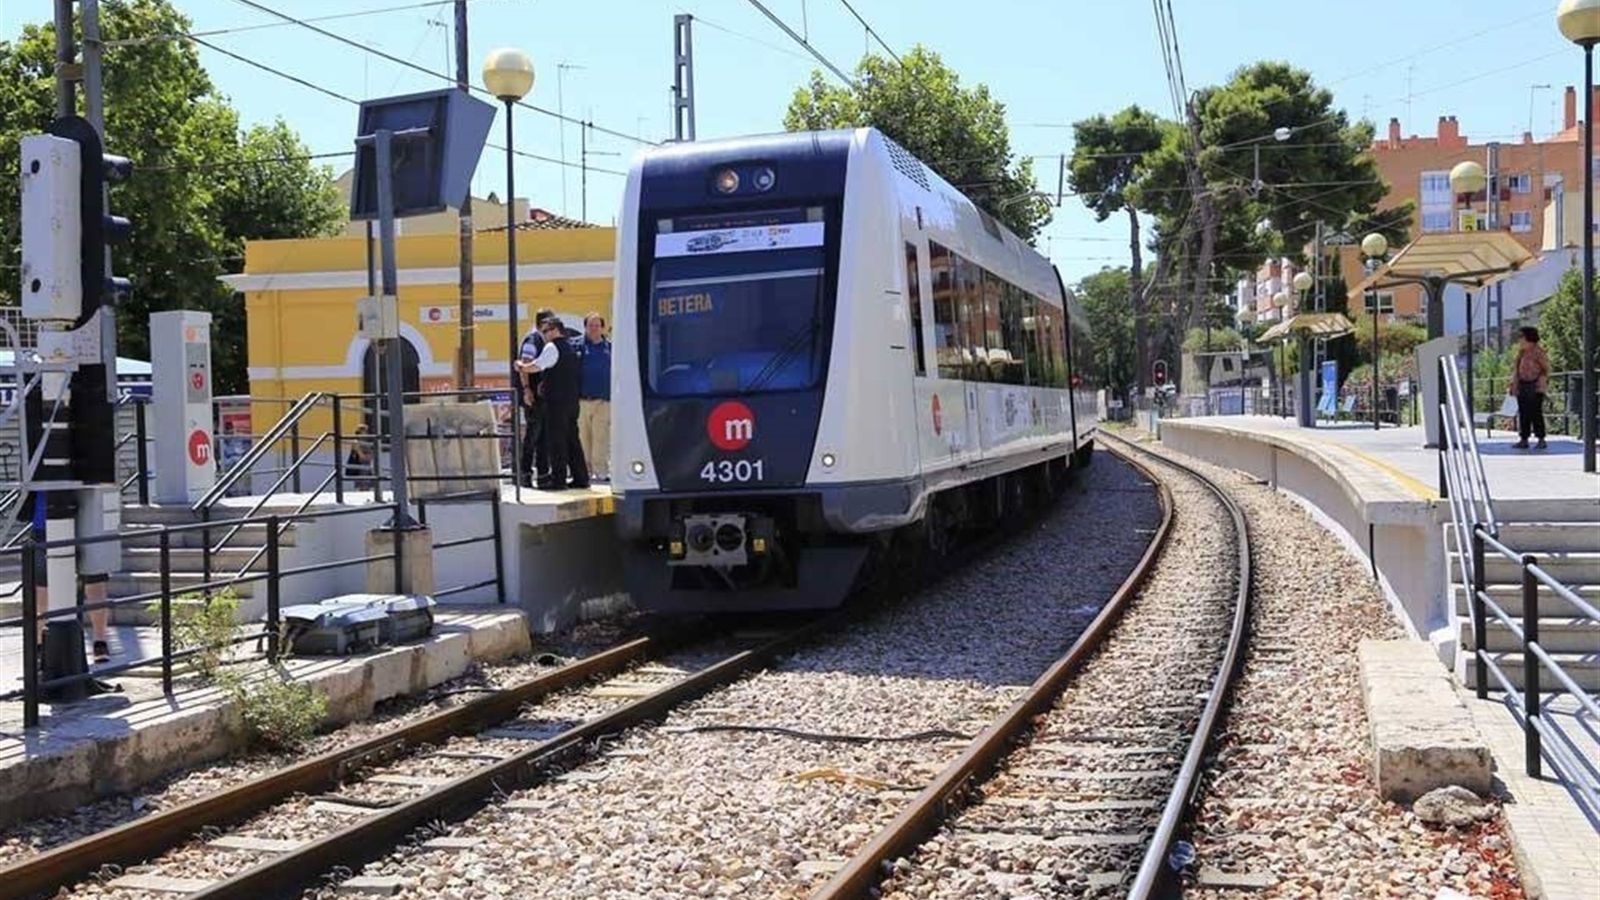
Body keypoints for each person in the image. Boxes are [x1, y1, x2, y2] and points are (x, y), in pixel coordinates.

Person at [535, 314, 590, 489]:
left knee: (556, 441)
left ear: (555, 330)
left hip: (556, 402)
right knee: (572, 440)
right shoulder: (570, 346)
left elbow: (538, 365)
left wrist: (521, 366)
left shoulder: (552, 347)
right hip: (572, 401)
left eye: (546, 331)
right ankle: (581, 478)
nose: (544, 334)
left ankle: (558, 480)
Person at [515, 311, 555, 487]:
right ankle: (525, 473)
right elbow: (524, 364)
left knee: (543, 437)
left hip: (542, 397)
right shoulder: (533, 340)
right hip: (534, 398)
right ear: (543, 324)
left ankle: (543, 474)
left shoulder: (544, 341)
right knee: (533, 436)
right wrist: (527, 390)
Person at [577, 312, 612, 481]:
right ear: (585, 328)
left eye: (597, 325)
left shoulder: (610, 348)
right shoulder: (577, 346)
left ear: (602, 328)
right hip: (582, 400)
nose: (594, 329)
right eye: (590, 325)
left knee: (601, 438)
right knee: (583, 438)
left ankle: (600, 471)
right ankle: (585, 471)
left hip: (603, 401)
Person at [1508, 325, 1551, 450]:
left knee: (1536, 413)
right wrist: (1513, 384)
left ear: (1528, 337)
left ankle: (1541, 438)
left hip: (1535, 385)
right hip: (1523, 384)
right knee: (1523, 413)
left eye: (1521, 336)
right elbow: (1516, 369)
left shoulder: (1538, 352)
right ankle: (1524, 439)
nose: (1519, 339)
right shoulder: (1521, 352)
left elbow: (1546, 368)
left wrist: (1541, 383)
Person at [345, 423, 376, 491]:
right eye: (365, 431)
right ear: (360, 432)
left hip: (367, 465)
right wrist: (368, 456)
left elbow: (372, 453)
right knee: (362, 484)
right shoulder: (356, 442)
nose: (366, 433)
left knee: (368, 484)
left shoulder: (367, 441)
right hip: (360, 465)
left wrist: (370, 455)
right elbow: (361, 455)